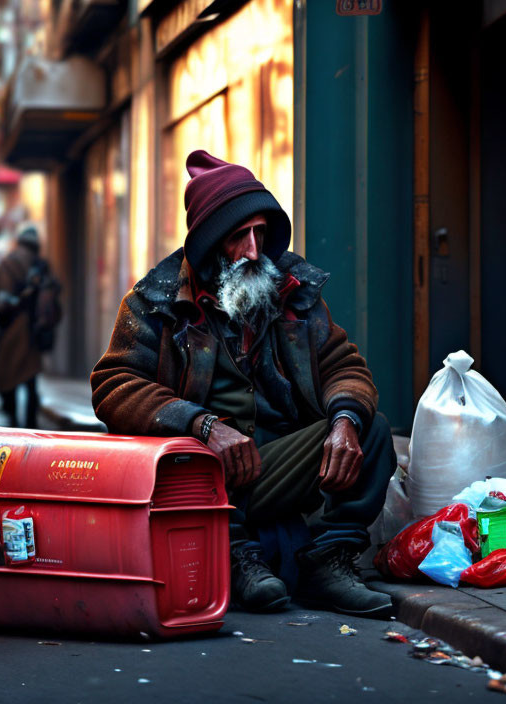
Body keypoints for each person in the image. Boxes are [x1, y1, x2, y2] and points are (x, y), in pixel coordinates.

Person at [91, 151, 397, 617]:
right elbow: (113, 384)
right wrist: (203, 424)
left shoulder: (292, 290)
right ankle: (233, 555)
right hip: (199, 477)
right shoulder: (154, 302)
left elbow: (343, 364)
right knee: (188, 473)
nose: (254, 251)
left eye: (261, 233)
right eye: (239, 237)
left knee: (372, 430)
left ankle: (328, 561)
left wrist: (345, 421)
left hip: (271, 466)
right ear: (211, 245)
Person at [0, 224, 56, 428]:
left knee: (7, 377)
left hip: (10, 330)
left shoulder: (6, 265)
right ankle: (31, 430)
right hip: (32, 331)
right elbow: (53, 298)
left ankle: (13, 426)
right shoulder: (41, 266)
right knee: (30, 381)